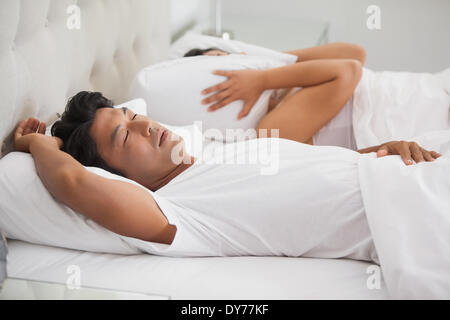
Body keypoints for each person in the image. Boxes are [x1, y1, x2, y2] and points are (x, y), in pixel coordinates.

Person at [13, 91, 442, 261]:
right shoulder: (177, 214)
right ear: (119, 176)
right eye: (125, 138)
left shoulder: (213, 155)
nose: (146, 126)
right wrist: (39, 145)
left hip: (406, 172)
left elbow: (310, 169)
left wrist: (379, 150)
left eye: (134, 115)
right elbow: (75, 185)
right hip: (412, 214)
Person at [186, 43, 450, 157]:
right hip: (423, 116)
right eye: (220, 72)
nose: (233, 69)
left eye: (227, 58)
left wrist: (264, 62)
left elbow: (355, 52)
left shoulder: (281, 80)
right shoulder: (270, 130)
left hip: (426, 90)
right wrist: (262, 79)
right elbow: (347, 70)